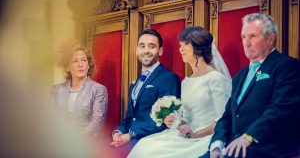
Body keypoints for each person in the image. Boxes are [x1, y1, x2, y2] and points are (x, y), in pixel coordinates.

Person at [202, 13, 300, 158]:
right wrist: (216, 145)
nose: (246, 43)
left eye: (252, 36)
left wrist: (249, 136)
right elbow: (227, 116)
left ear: (271, 38)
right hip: (233, 145)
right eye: (243, 37)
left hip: (266, 146)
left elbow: (280, 108)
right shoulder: (239, 76)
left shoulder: (287, 66)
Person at [127, 26, 231, 158]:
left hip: (207, 137)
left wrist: (196, 134)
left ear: (198, 46)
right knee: (144, 146)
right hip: (188, 136)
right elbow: (186, 117)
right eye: (180, 45)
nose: (180, 49)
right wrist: (177, 122)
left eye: (186, 44)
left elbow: (224, 119)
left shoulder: (215, 78)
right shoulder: (186, 82)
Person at [110, 29, 181, 157]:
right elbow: (129, 117)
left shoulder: (168, 78)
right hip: (130, 138)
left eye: (151, 46)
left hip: (151, 140)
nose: (146, 50)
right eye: (142, 46)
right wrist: (118, 132)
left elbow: (165, 121)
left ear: (160, 51)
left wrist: (131, 135)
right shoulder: (134, 83)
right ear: (137, 50)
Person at [51, 43, 108, 137]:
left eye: (84, 60)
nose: (80, 65)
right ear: (67, 67)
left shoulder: (99, 90)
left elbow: (96, 124)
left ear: (88, 65)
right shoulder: (56, 90)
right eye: (75, 61)